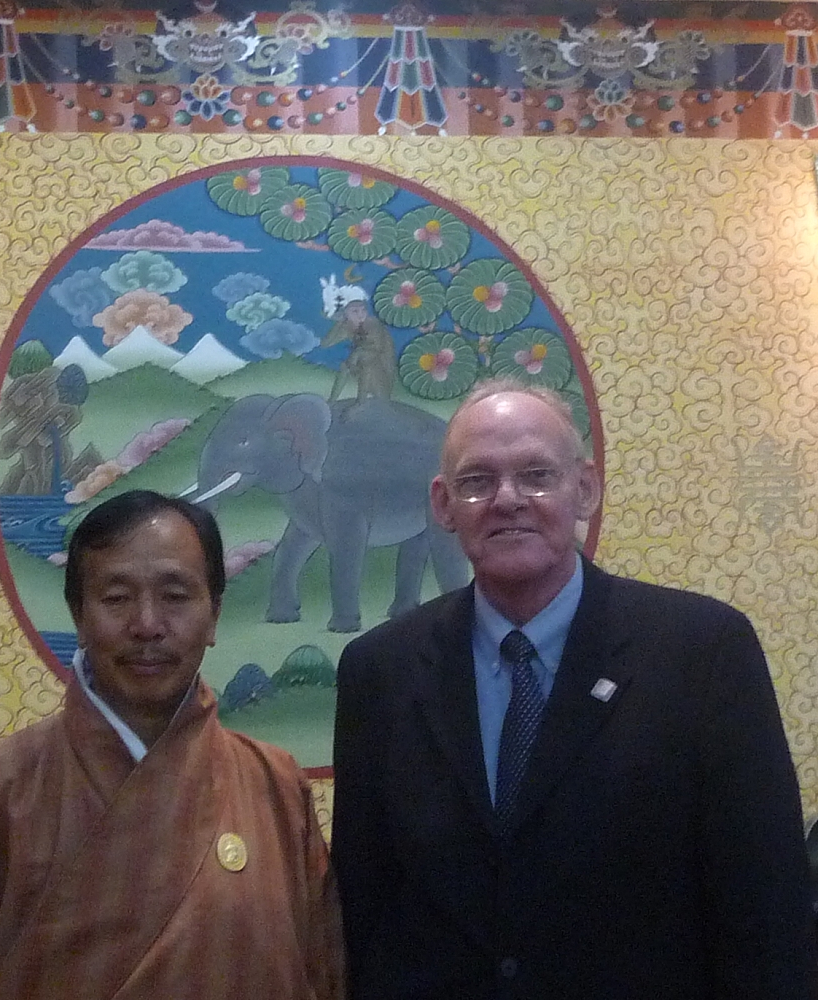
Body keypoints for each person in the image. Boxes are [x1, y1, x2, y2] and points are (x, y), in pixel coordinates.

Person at [331, 378, 817, 1000]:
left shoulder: (703, 653)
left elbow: (767, 906)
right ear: (443, 505)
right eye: (477, 481)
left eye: (536, 475)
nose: (507, 499)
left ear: (585, 488)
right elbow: (367, 909)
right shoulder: (379, 671)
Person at [0, 490, 344, 1000]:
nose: (147, 625)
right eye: (116, 598)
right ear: (79, 617)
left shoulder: (274, 783)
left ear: (214, 614)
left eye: (175, 596)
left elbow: (323, 974)